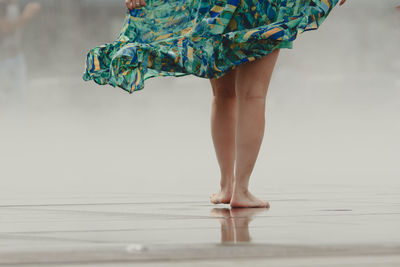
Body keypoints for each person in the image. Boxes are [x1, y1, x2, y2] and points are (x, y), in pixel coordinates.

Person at [84, 0, 347, 208]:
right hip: (263, 6)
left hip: (215, 6)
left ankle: (227, 186)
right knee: (252, 95)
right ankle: (241, 189)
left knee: (223, 95)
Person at [0, 0, 40, 105]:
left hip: (17, 57)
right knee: (5, 100)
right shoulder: (2, 5)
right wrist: (26, 16)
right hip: (3, 60)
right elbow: (4, 29)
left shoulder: (15, 5)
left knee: (21, 99)